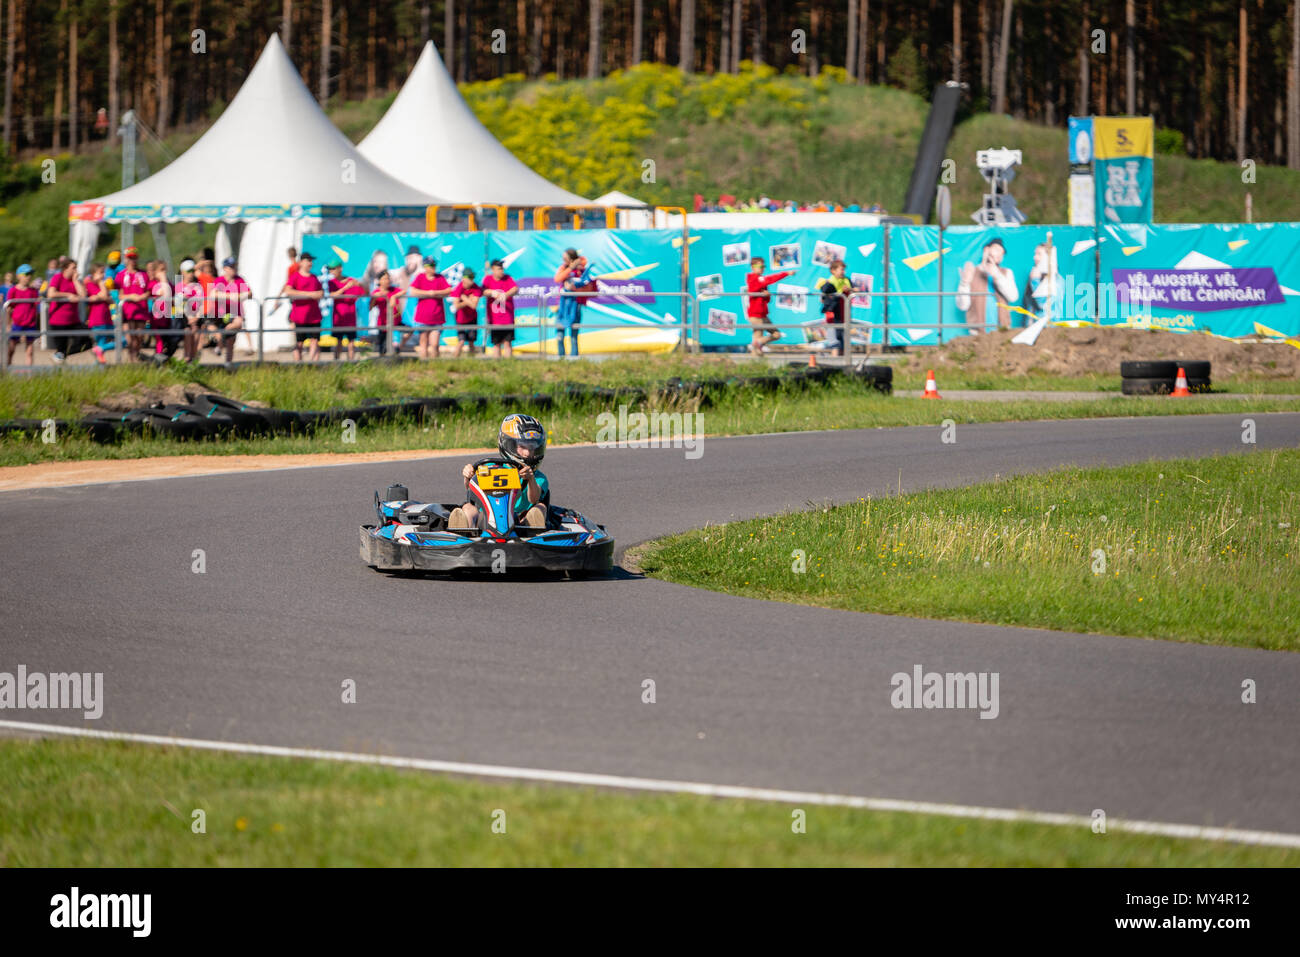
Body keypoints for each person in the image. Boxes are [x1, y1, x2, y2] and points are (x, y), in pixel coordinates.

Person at [447, 413, 549, 533]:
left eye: (532, 448)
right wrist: (468, 476)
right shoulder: (489, 467)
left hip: (521, 522)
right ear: (508, 444)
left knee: (540, 507)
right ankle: (462, 533)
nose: (527, 453)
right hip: (486, 517)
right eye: (523, 447)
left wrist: (530, 479)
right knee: (468, 508)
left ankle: (534, 533)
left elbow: (534, 499)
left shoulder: (538, 477)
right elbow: (471, 489)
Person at [955, 237, 1018, 334]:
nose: (1000, 254)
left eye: (1002, 253)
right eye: (997, 249)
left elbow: (1013, 297)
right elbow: (963, 306)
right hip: (977, 335)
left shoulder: (1006, 273)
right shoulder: (971, 272)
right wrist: (964, 283)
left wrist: (997, 275)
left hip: (1002, 332)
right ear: (986, 250)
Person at [407, 256, 452, 360]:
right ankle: (424, 367)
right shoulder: (420, 277)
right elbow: (413, 291)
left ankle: (435, 367)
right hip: (423, 317)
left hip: (437, 317)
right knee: (423, 344)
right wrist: (428, 293)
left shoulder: (440, 278)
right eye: (431, 265)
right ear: (425, 267)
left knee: (435, 344)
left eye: (434, 265)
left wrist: (435, 293)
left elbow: (449, 290)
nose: (433, 267)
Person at [282, 251, 324, 361]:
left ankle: (314, 366)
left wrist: (317, 294)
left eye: (311, 261)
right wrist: (309, 294)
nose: (310, 263)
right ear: (301, 262)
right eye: (308, 261)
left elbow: (321, 292)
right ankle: (298, 366)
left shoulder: (314, 277)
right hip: (300, 316)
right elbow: (288, 290)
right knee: (299, 343)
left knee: (315, 341)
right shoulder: (295, 276)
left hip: (314, 316)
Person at [745, 256, 792, 353]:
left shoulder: (761, 280)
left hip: (763, 314)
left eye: (764, 266)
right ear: (753, 267)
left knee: (776, 335)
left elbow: (766, 299)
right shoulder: (752, 278)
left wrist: (766, 295)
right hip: (755, 315)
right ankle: (756, 352)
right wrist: (785, 274)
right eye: (760, 266)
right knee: (757, 346)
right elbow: (754, 290)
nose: (763, 268)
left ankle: (757, 344)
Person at [554, 248, 595, 357]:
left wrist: (574, 288)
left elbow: (589, 288)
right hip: (562, 306)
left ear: (572, 259)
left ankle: (574, 359)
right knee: (560, 333)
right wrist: (570, 268)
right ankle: (561, 358)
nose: (563, 260)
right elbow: (557, 279)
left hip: (575, 305)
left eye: (565, 258)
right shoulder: (564, 268)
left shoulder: (581, 271)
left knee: (573, 335)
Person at [210, 257, 251, 364]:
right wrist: (230, 296)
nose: (234, 268)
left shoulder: (239, 279)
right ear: (225, 268)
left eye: (234, 266)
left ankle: (228, 363)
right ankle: (219, 341)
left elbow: (249, 293)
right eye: (231, 266)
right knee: (211, 326)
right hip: (220, 314)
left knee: (231, 340)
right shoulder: (219, 280)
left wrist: (241, 296)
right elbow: (213, 294)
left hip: (234, 314)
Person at [45, 259, 86, 363]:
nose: (76, 270)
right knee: (61, 347)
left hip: (73, 320)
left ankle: (60, 355)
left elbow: (83, 295)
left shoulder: (76, 280)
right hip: (58, 320)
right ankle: (60, 359)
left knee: (86, 341)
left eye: (76, 267)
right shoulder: (57, 277)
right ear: (65, 269)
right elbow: (51, 293)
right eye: (73, 268)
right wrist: (68, 295)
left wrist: (75, 281)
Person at [325, 258, 363, 361]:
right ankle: (336, 363)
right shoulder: (331, 282)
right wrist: (346, 287)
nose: (331, 271)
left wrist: (360, 284)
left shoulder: (351, 281)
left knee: (351, 343)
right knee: (338, 341)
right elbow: (333, 295)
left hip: (350, 318)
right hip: (339, 318)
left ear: (340, 269)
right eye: (330, 269)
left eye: (333, 269)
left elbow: (363, 292)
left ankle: (351, 364)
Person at [116, 246, 150, 361]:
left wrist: (142, 297)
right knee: (130, 338)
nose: (132, 261)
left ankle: (135, 357)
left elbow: (148, 291)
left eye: (134, 258)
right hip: (127, 311)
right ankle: (132, 360)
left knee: (139, 337)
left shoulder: (144, 274)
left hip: (141, 310)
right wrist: (131, 297)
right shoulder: (121, 275)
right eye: (130, 258)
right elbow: (120, 295)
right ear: (126, 259)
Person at [481, 258, 519, 359]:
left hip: (507, 318)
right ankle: (497, 367)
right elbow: (483, 291)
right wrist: (492, 293)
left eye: (502, 268)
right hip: (495, 320)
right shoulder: (488, 279)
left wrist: (506, 295)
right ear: (493, 269)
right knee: (496, 344)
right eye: (499, 269)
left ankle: (508, 367)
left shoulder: (508, 278)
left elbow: (515, 288)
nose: (501, 271)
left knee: (507, 343)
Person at [5, 264, 40, 366]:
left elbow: (36, 308)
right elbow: (9, 308)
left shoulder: (33, 291)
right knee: (11, 348)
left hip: (30, 324)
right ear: (19, 276)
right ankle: (6, 369)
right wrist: (8, 324)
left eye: (30, 274)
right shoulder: (13, 290)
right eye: (26, 274)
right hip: (17, 323)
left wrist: (36, 324)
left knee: (29, 351)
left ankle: (29, 375)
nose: (29, 276)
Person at [818, 259, 852, 357]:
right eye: (841, 270)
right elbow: (823, 297)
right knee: (835, 342)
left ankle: (844, 365)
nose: (843, 272)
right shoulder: (829, 283)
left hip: (843, 315)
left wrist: (850, 289)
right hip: (832, 317)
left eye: (844, 270)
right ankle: (835, 362)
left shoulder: (846, 281)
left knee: (843, 340)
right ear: (833, 270)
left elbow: (853, 292)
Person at [84, 263, 115, 364]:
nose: (103, 275)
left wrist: (102, 296)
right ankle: (99, 368)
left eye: (104, 272)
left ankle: (98, 354)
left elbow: (111, 300)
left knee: (123, 340)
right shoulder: (90, 285)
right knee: (101, 351)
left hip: (107, 320)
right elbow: (104, 296)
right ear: (93, 274)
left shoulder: (103, 286)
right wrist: (102, 286)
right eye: (101, 273)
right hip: (97, 321)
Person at [449, 267, 482, 358]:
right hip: (461, 319)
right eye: (470, 277)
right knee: (461, 342)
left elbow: (474, 306)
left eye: (473, 277)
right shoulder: (458, 288)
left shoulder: (476, 288)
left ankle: (472, 362)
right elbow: (457, 306)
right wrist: (468, 300)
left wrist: (463, 298)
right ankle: (454, 360)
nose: (472, 280)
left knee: (471, 342)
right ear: (464, 278)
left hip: (472, 318)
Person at [147, 260, 175, 361]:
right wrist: (163, 279)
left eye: (165, 270)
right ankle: (158, 358)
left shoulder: (168, 283)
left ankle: (163, 358)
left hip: (167, 317)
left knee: (170, 341)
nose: (164, 272)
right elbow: (164, 293)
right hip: (156, 317)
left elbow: (171, 295)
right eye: (161, 270)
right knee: (159, 340)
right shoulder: (153, 283)